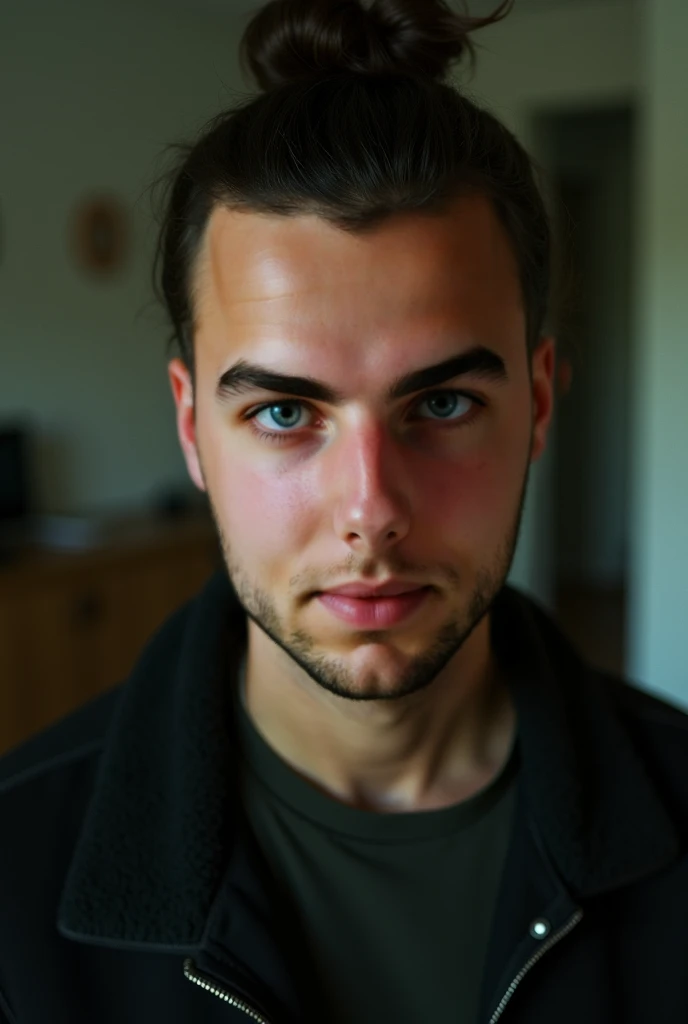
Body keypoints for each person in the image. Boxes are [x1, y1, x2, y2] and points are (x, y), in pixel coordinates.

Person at [2, 0, 688, 1021]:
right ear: (191, 426)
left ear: (538, 402)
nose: (370, 510)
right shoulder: (13, 871)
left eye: (443, 403)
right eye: (284, 410)